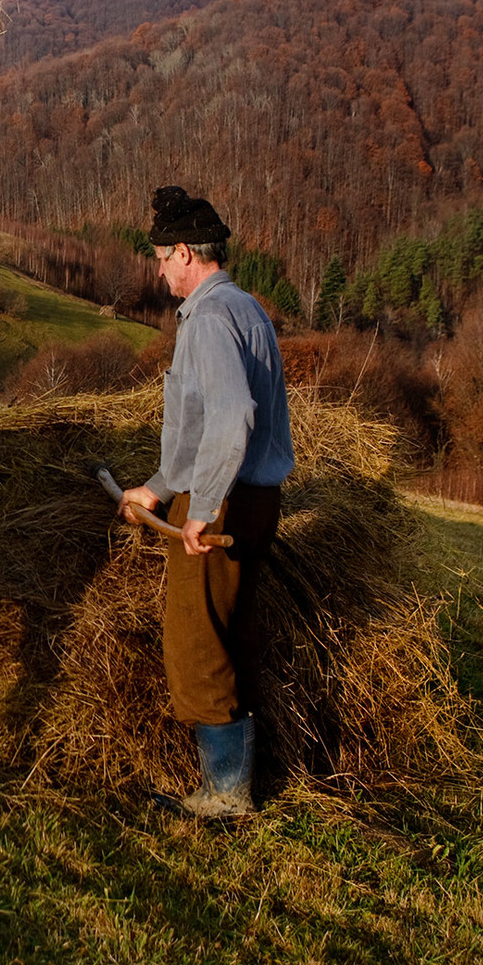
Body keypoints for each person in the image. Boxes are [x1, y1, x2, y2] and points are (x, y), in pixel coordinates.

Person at [118, 185, 295, 817]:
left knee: (196, 642)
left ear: (186, 252)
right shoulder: (244, 309)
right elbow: (196, 427)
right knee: (231, 634)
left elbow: (229, 417)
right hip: (251, 498)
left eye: (162, 257)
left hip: (222, 501)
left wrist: (198, 507)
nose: (158, 269)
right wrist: (159, 488)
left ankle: (224, 795)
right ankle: (236, 784)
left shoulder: (212, 318)